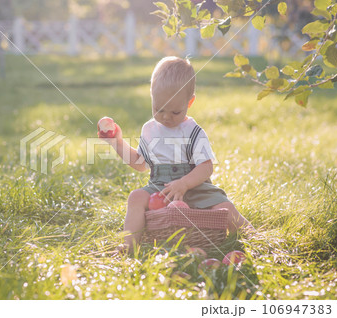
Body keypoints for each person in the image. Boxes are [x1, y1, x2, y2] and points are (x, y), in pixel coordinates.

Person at [99, 56, 254, 251]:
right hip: (161, 189)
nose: (166, 117)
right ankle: (129, 245)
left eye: (175, 112)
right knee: (136, 197)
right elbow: (140, 163)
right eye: (159, 109)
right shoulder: (149, 130)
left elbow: (206, 167)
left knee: (223, 208)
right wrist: (117, 143)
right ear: (151, 97)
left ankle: (251, 236)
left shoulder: (193, 131)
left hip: (196, 188)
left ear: (190, 103)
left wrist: (184, 184)